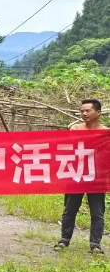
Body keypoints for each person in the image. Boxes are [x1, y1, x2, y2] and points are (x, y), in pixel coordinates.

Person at [55, 99, 108, 254]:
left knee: (97, 212)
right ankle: (64, 240)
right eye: (82, 111)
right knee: (69, 210)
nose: (84, 113)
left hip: (97, 177)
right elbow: (68, 148)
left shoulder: (106, 132)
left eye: (88, 111)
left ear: (98, 112)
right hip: (76, 175)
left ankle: (95, 245)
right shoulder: (75, 129)